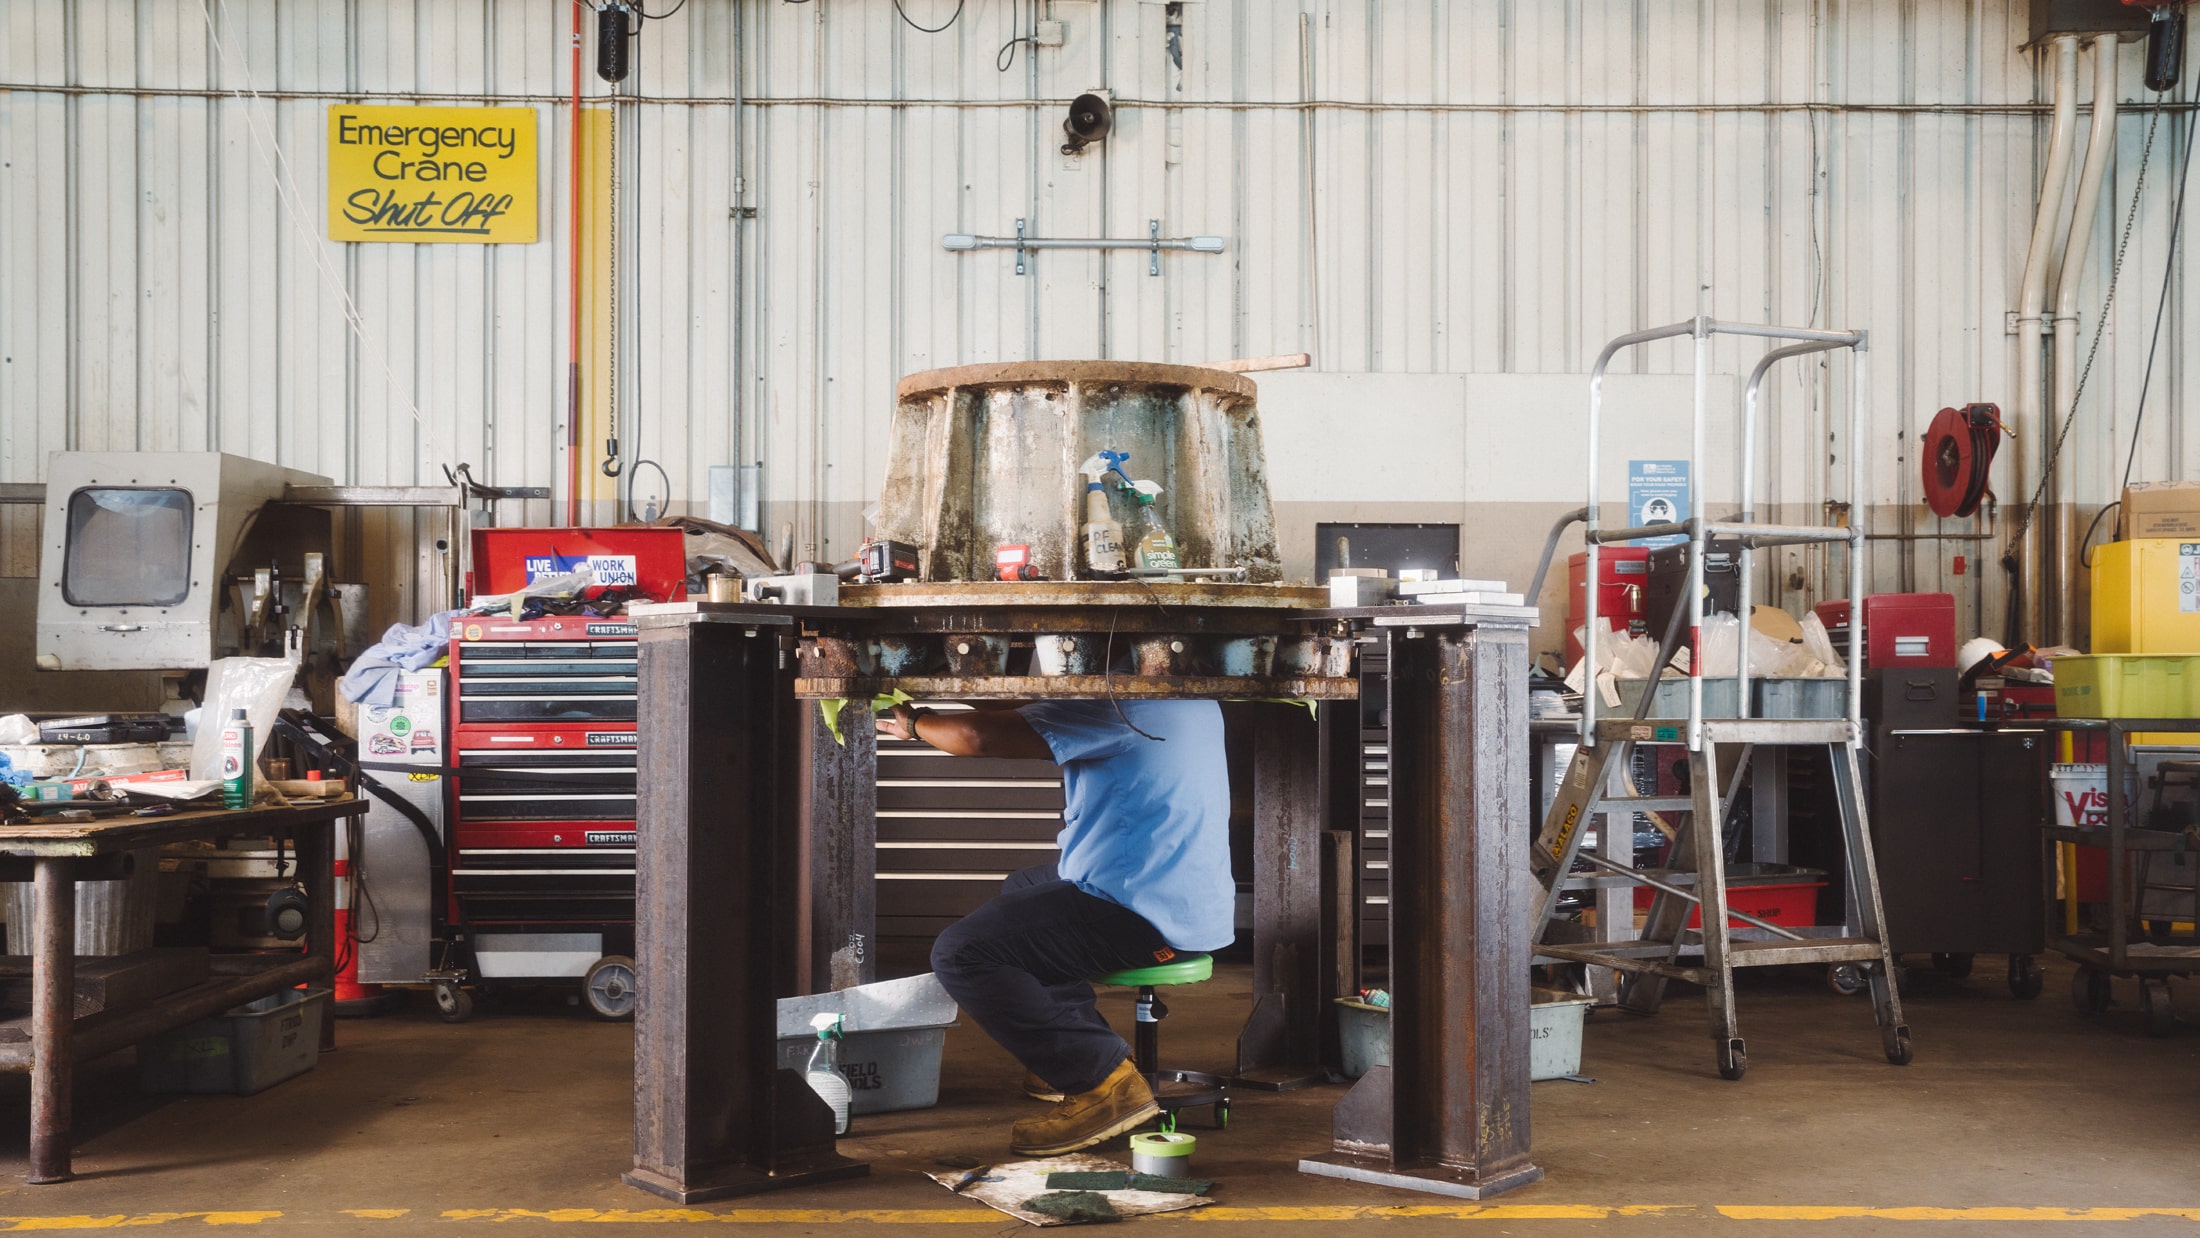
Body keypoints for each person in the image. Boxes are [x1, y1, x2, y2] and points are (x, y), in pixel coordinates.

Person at [876, 697, 1232, 1156]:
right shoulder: (1192, 699)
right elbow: (1022, 708)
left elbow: (976, 737)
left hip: (1142, 916)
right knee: (1023, 888)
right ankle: (1070, 1053)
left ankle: (1105, 1085)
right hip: (1185, 898)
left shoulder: (1119, 707)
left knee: (962, 952)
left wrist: (916, 722)